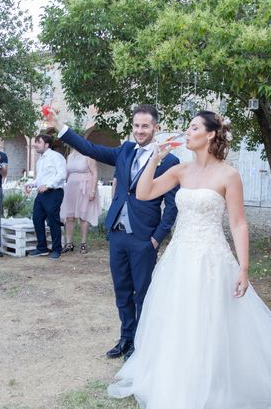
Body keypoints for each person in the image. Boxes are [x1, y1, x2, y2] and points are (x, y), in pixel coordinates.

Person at [107, 111, 271, 409]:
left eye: (194, 128)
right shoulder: (181, 169)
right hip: (180, 259)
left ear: (212, 135)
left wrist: (244, 268)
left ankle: (216, 385)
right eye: (188, 127)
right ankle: (178, 378)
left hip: (212, 260)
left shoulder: (228, 175)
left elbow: (239, 224)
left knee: (212, 322)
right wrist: (154, 160)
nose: (188, 132)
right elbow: (144, 194)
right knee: (178, 321)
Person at [46, 104, 179, 360]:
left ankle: (141, 343)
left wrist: (155, 239)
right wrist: (60, 127)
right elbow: (90, 149)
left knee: (143, 292)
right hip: (118, 234)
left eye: (145, 126)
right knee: (121, 290)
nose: (140, 131)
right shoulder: (125, 151)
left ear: (156, 128)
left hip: (144, 237)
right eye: (136, 126)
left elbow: (172, 206)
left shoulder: (170, 161)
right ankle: (125, 339)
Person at [27, 133, 67, 260]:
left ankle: (56, 249)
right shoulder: (40, 160)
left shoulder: (56, 157)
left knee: (53, 221)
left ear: (47, 144)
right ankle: (42, 248)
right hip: (41, 194)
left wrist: (48, 185)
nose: (35, 145)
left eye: (38, 142)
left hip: (54, 192)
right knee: (37, 219)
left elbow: (62, 174)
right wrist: (31, 184)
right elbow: (39, 178)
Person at [59, 148, 100, 254]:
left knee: (83, 216)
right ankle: (69, 244)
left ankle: (83, 244)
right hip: (71, 188)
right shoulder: (69, 156)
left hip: (85, 187)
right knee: (69, 216)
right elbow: (67, 174)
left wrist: (93, 190)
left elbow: (95, 173)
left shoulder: (88, 154)